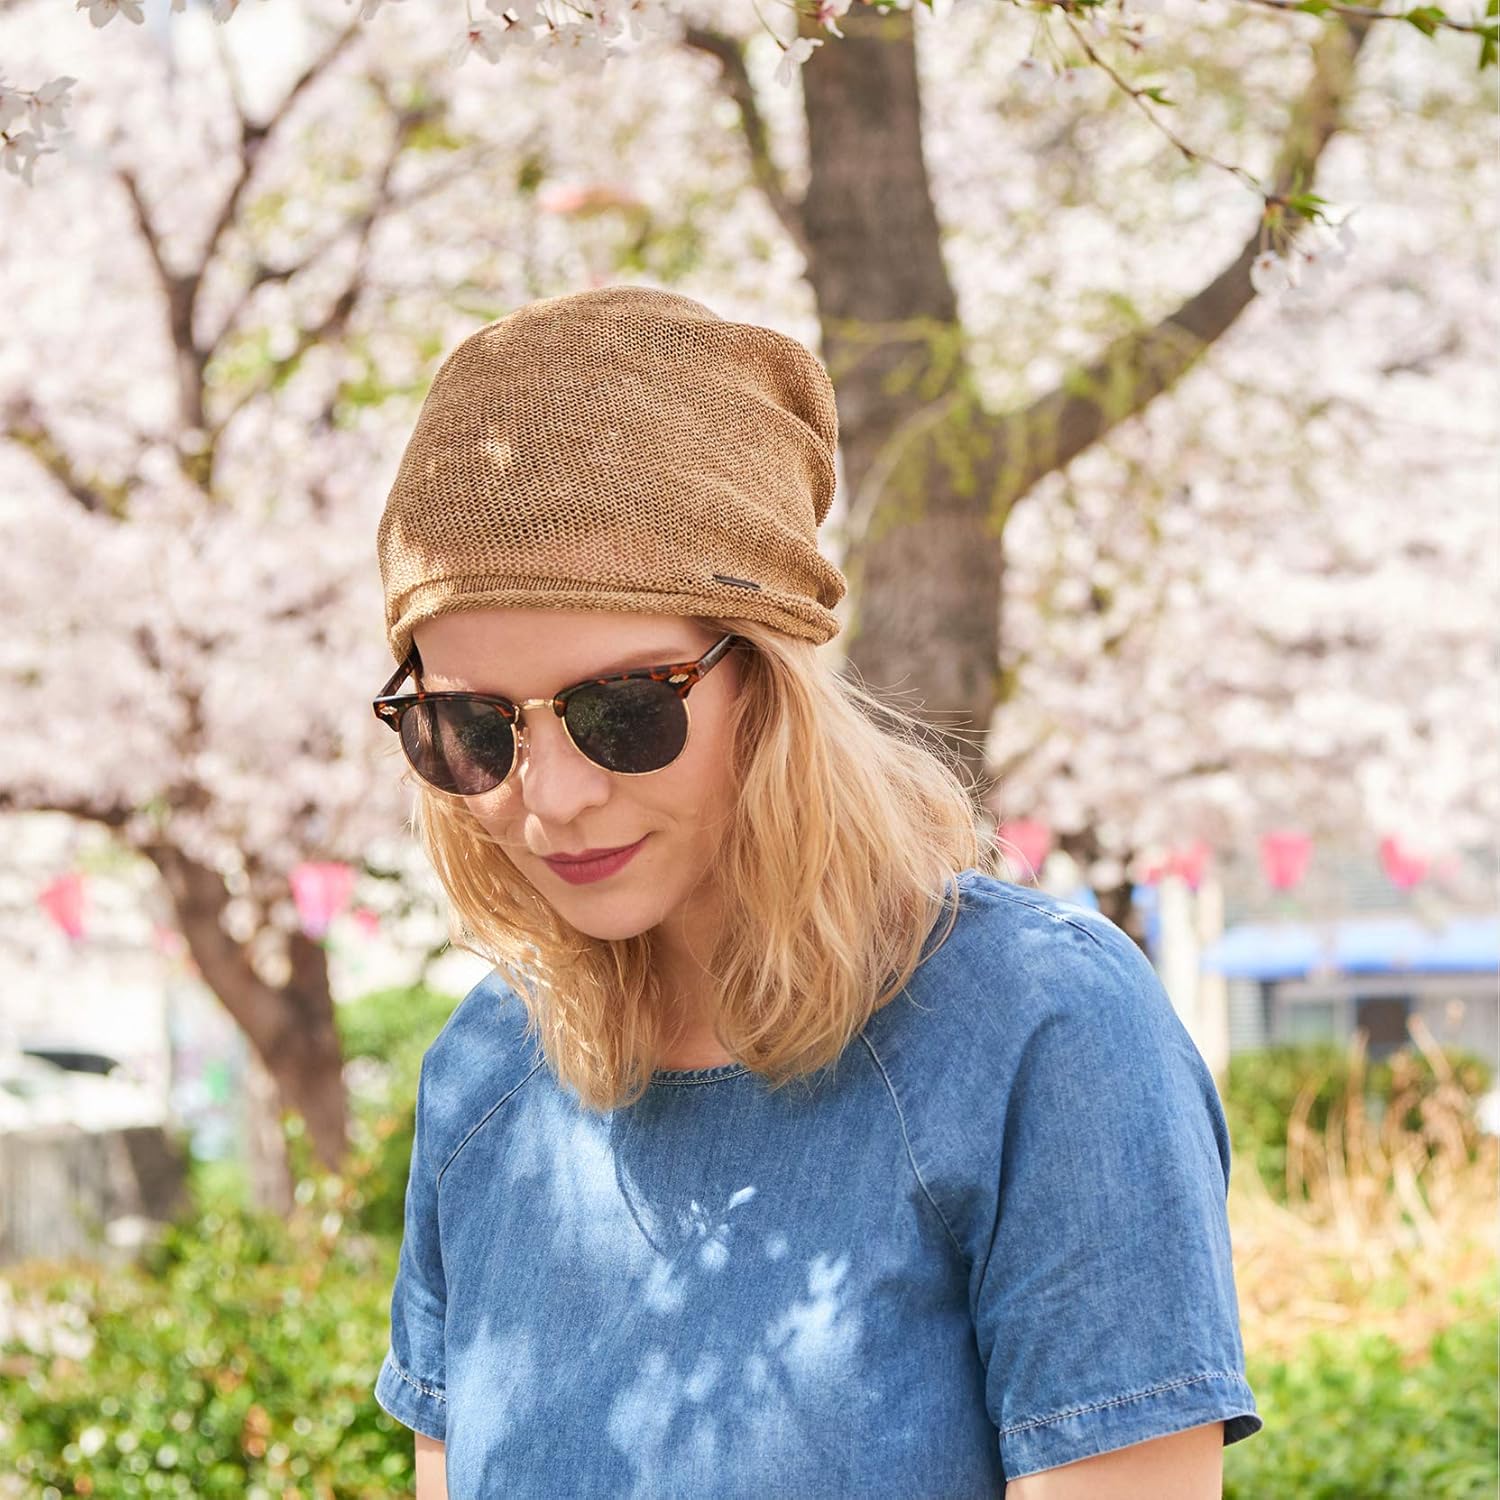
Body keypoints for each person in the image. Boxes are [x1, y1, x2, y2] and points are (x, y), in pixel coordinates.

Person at [368, 284, 1262, 1499]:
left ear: (769, 681)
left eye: (621, 709)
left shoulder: (1041, 1031)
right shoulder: (484, 1071)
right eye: (471, 727)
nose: (553, 797)